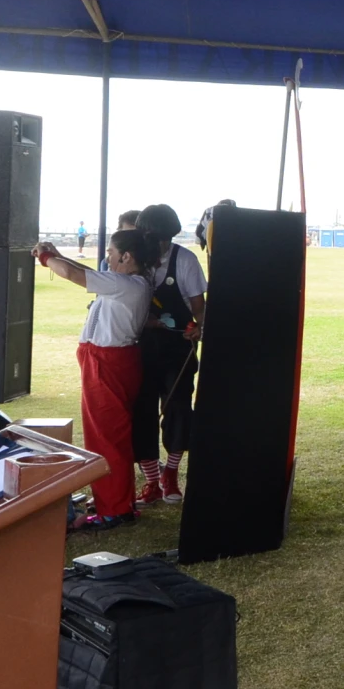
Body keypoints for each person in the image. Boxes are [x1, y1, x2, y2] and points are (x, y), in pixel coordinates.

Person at [37, 230, 158, 529]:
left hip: (108, 364)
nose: (107, 258)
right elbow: (88, 273)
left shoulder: (127, 284)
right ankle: (115, 501)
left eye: (111, 252)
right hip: (110, 361)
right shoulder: (128, 283)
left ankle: (113, 509)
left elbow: (72, 275)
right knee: (109, 436)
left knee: (106, 438)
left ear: (126, 256)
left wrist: (45, 257)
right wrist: (58, 256)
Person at [132, 203, 207, 505]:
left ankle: (171, 474)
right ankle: (151, 479)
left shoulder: (184, 260)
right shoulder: (132, 258)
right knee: (142, 410)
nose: (159, 244)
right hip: (139, 347)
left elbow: (198, 306)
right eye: (153, 237)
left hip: (177, 348)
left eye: (164, 238)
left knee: (177, 409)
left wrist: (197, 327)